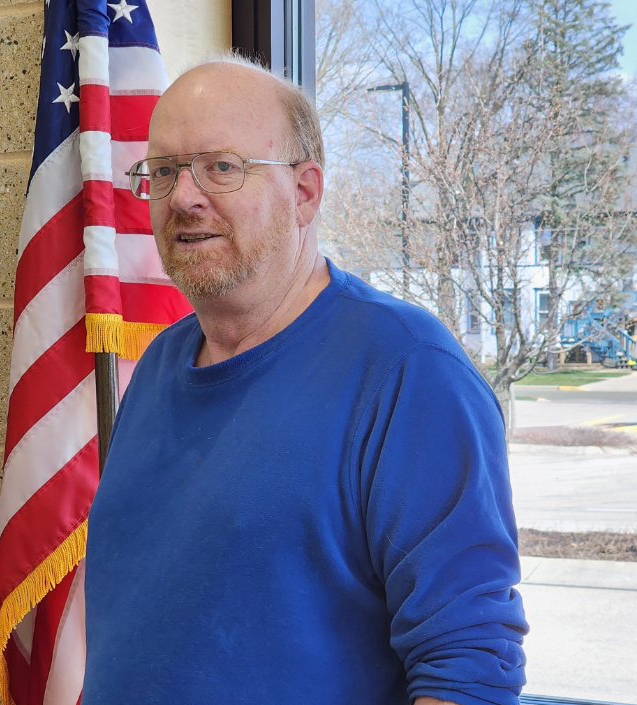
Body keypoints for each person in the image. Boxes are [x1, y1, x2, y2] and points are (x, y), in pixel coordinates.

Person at [83, 55, 528, 705]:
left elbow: (468, 668)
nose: (183, 196)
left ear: (305, 192)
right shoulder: (155, 367)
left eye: (221, 167)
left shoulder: (406, 371)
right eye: (166, 170)